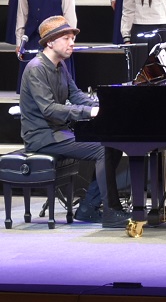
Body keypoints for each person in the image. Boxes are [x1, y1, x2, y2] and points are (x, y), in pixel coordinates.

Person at [19, 16, 128, 228]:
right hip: (43, 137)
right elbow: (49, 109)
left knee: (114, 145)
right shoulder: (35, 69)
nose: (72, 43)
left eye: (72, 38)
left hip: (59, 133)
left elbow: (76, 95)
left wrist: (105, 106)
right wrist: (90, 111)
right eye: (67, 38)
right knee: (103, 150)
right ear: (50, 42)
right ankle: (111, 212)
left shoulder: (60, 66)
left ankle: (88, 207)